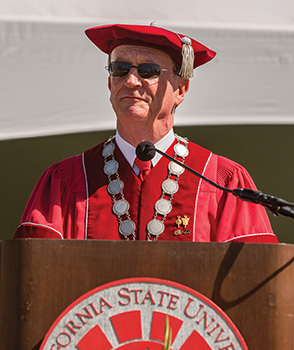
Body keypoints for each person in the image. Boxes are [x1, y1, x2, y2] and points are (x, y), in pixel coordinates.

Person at [14, 23, 278, 243]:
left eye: (148, 71)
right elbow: (32, 280)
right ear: (110, 83)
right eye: (120, 69)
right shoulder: (66, 181)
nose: (130, 81)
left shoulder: (223, 182)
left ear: (181, 89)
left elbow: (253, 286)